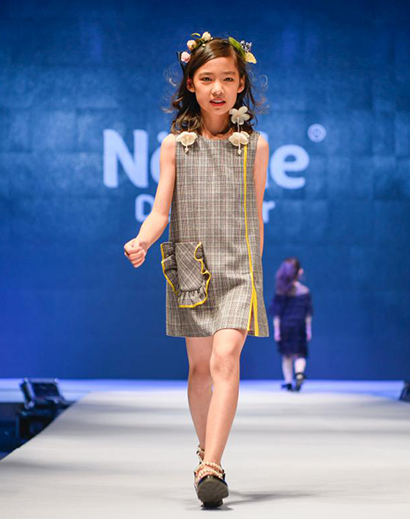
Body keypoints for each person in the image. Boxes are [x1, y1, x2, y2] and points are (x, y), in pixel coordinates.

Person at [123, 31, 268, 508]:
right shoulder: (175, 146)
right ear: (190, 84)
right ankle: (206, 450)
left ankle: (212, 467)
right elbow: (160, 211)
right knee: (200, 369)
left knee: (226, 358)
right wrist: (143, 240)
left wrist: (256, 274)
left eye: (227, 78)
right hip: (192, 266)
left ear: (241, 83)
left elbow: (256, 213)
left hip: (240, 268)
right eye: (207, 78)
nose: (217, 88)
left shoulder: (256, 146)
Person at [269, 258, 313, 392]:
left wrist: (276, 330)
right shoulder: (304, 291)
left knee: (286, 356)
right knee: (300, 354)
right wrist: (308, 329)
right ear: (299, 272)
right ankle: (299, 373)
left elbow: (276, 313)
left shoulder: (281, 291)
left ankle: (288, 382)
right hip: (299, 326)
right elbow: (308, 313)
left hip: (285, 326)